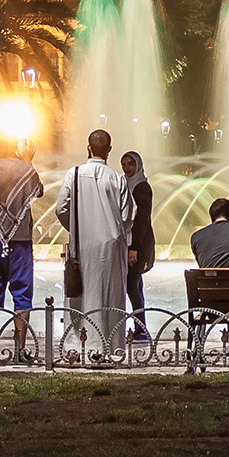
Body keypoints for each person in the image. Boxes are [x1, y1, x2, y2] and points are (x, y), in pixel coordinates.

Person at [55, 129, 134, 357]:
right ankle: (110, 346)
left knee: (78, 297)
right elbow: (127, 216)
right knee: (110, 297)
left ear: (88, 147)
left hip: (81, 244)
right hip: (111, 248)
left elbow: (61, 209)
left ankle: (75, 347)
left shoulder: (74, 174)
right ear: (109, 150)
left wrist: (77, 228)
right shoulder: (117, 178)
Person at [0, 135, 44, 354]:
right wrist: (27, 161)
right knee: (22, 295)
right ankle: (20, 348)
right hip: (20, 239)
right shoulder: (23, 168)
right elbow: (38, 190)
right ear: (14, 142)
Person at [122, 150, 155, 343]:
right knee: (136, 285)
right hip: (130, 243)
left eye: (130, 164)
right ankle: (140, 328)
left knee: (131, 285)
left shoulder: (142, 187)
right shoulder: (125, 185)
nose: (127, 168)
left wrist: (133, 248)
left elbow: (142, 220)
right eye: (124, 164)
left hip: (139, 244)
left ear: (138, 165)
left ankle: (141, 330)